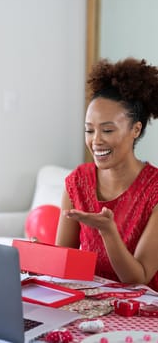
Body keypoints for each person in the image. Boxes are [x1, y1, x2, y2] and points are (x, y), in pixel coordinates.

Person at [55, 57, 158, 291]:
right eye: (89, 130)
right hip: (91, 306)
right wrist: (40, 257)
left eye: (108, 130)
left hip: (143, 312)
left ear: (136, 129)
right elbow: (64, 265)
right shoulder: (77, 182)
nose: (96, 140)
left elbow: (138, 279)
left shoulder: (155, 190)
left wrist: (107, 231)